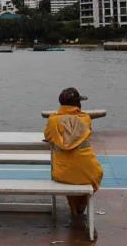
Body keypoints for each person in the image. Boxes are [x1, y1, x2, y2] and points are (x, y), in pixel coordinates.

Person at [44, 87, 103, 217]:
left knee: (69, 174)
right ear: (78, 103)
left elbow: (48, 136)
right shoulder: (86, 119)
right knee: (94, 174)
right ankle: (81, 205)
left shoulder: (53, 120)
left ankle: (74, 207)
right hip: (88, 171)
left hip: (62, 173)